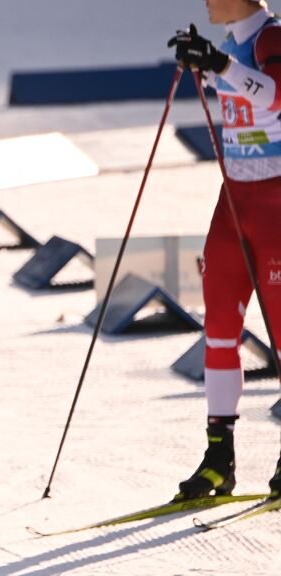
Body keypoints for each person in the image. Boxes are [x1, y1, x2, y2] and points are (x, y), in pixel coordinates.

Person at [167, 1, 281, 500]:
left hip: (275, 203)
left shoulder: (271, 38)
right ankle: (219, 458)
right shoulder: (234, 44)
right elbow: (238, 96)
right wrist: (205, 64)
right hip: (233, 201)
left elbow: (277, 98)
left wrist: (218, 66)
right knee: (218, 328)